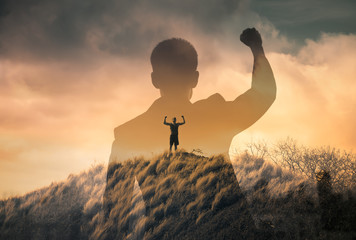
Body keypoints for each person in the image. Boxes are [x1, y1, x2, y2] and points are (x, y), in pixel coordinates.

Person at [103, 28, 277, 239]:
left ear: (154, 80)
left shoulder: (129, 135)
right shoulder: (214, 118)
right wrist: (256, 49)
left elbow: (114, 214)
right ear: (194, 79)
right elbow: (263, 95)